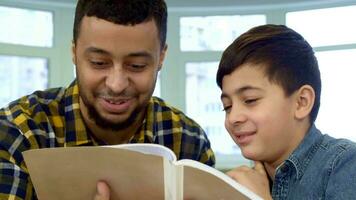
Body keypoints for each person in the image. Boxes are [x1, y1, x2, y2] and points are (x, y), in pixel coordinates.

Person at [0, 0, 215, 199]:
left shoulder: (188, 139)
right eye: (99, 62)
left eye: (137, 65)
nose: (116, 84)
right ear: (74, 53)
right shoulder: (19, 131)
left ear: (161, 58)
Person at [216, 24, 356, 199]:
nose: (233, 118)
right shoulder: (244, 181)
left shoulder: (345, 164)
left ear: (301, 102)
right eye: (227, 106)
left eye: (250, 100)